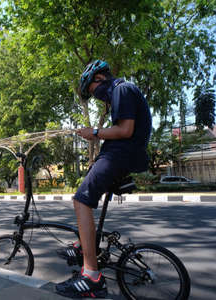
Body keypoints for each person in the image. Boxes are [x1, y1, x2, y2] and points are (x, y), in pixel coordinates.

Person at [55, 60, 152, 298]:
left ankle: (91, 276)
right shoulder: (119, 93)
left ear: (100, 78)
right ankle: (84, 246)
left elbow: (125, 130)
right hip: (116, 155)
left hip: (120, 155)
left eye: (92, 90)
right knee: (85, 192)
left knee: (81, 200)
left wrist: (94, 133)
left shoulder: (122, 89)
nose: (95, 96)